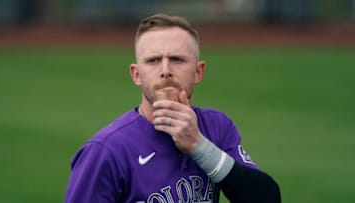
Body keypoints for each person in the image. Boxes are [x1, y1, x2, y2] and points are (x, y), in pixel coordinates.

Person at [65, 13, 280, 203]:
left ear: (198, 71)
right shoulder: (106, 151)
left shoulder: (216, 127)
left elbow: (267, 198)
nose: (166, 70)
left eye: (177, 59)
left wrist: (199, 146)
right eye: (153, 60)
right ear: (136, 74)